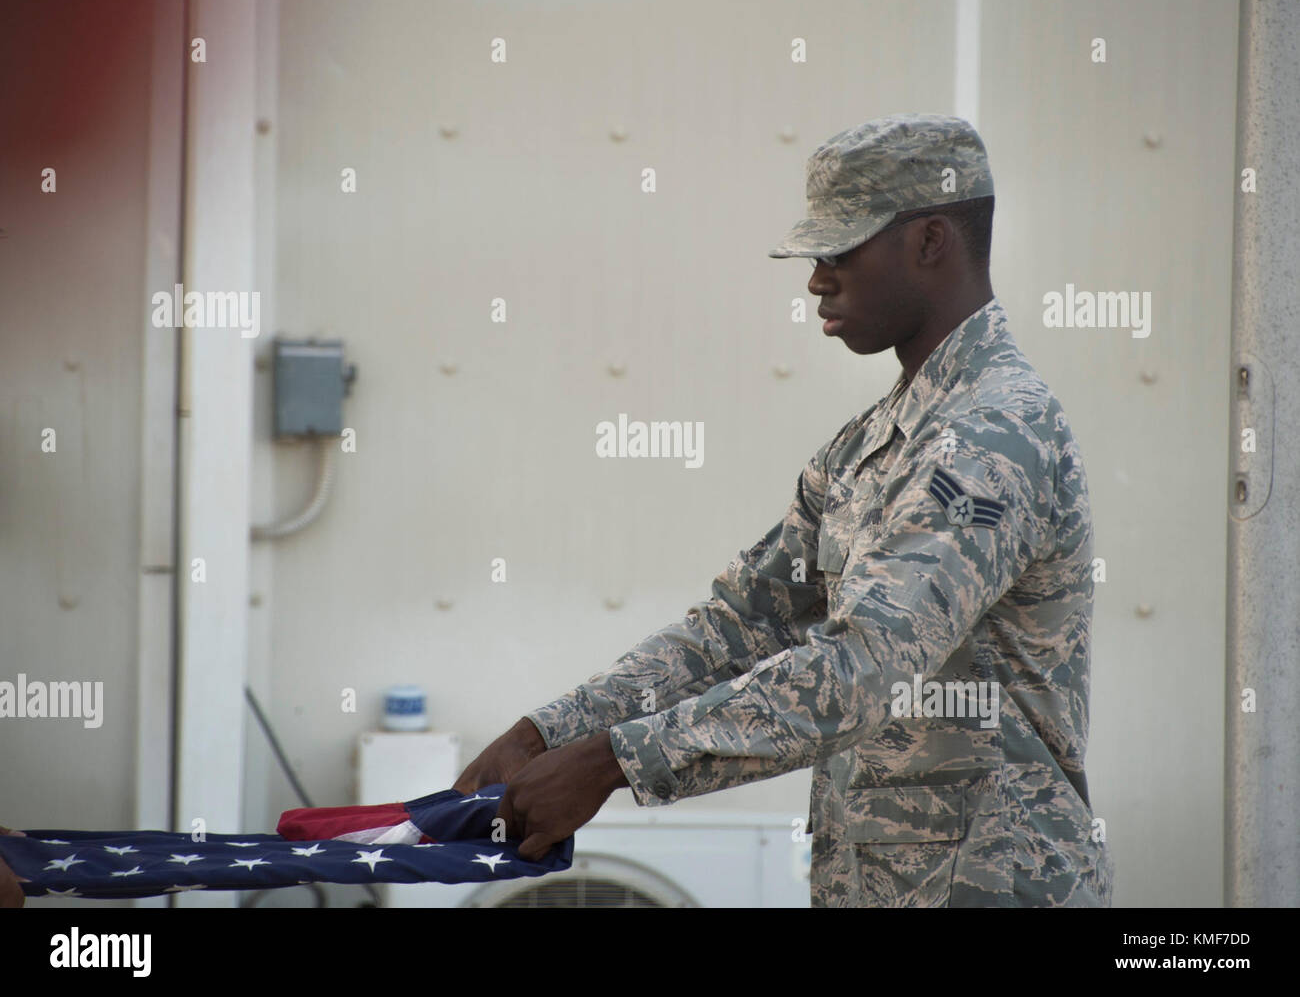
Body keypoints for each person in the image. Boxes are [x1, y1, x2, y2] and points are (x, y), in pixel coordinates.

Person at [457, 113, 1114, 908]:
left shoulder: (991, 436)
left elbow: (865, 667)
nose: (815, 279)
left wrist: (616, 760)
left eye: (839, 250)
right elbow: (741, 624)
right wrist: (548, 734)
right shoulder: (876, 440)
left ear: (931, 240)